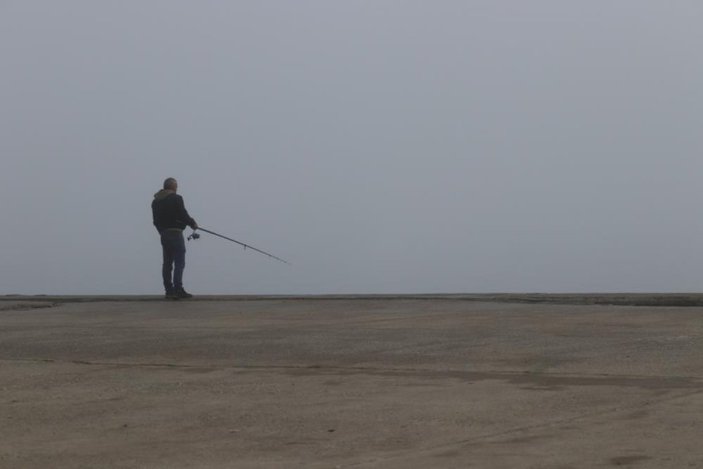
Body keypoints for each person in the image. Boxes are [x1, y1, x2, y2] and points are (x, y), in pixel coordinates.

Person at [151, 178, 198, 299]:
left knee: (167, 263)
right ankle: (178, 289)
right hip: (176, 233)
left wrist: (162, 231)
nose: (177, 189)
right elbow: (183, 214)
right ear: (172, 187)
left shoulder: (155, 202)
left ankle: (169, 291)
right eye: (176, 186)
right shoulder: (176, 198)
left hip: (164, 234)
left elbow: (155, 221)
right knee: (179, 262)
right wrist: (192, 223)